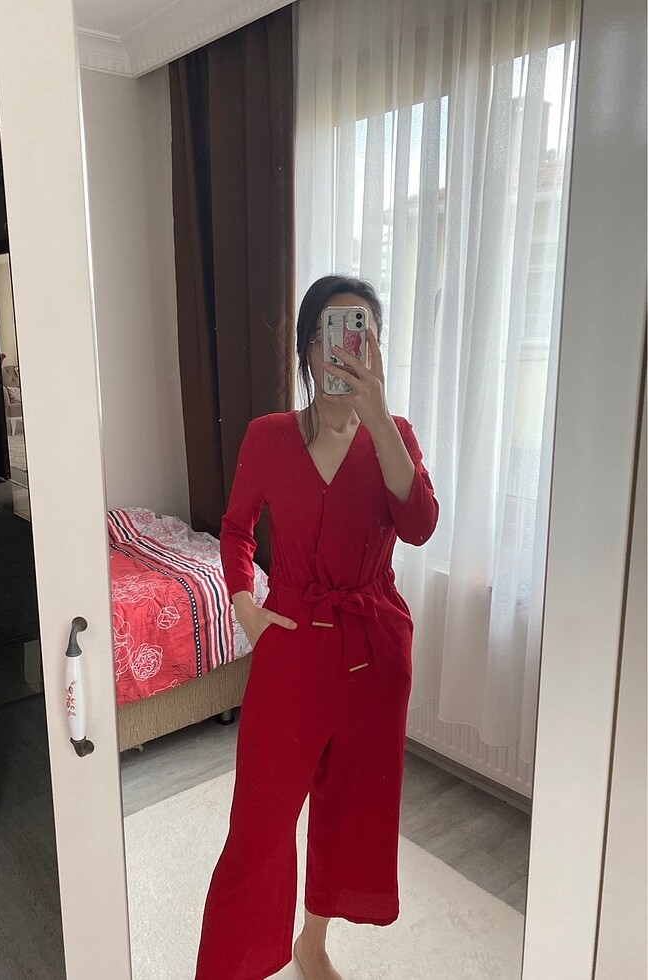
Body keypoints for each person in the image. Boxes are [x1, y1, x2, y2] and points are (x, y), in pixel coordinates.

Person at [194, 275, 439, 980]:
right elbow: (236, 529)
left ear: (376, 349)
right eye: (333, 333)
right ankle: (231, 965)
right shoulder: (268, 437)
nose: (346, 348)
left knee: (350, 810)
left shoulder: (397, 437)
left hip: (373, 648)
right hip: (293, 643)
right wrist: (245, 606)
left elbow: (420, 525)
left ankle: (313, 941)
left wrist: (379, 417)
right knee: (259, 822)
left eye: (362, 333)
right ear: (308, 347)